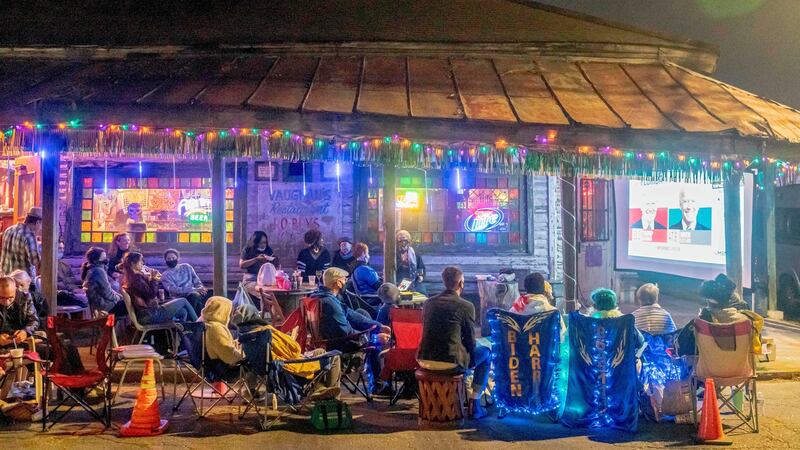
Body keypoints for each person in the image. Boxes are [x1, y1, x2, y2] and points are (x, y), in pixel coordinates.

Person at [204, 296, 342, 400]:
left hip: (265, 368)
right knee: (330, 355)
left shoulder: (243, 333)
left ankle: (319, 389)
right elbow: (295, 350)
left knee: (318, 353)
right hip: (284, 368)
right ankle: (328, 397)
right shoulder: (264, 331)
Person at [417, 266, 490, 419]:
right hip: (450, 362)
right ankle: (475, 403)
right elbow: (470, 341)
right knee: (486, 353)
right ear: (461, 283)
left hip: (423, 358)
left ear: (444, 282)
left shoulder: (428, 303)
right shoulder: (466, 306)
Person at [122, 252, 197, 325]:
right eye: (140, 261)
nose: (142, 263)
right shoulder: (136, 279)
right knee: (183, 300)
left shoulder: (132, 278)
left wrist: (149, 279)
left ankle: (182, 334)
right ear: (133, 264)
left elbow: (146, 294)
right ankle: (199, 325)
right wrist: (154, 279)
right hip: (148, 315)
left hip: (146, 313)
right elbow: (151, 295)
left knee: (183, 311)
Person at [161, 249, 211, 314]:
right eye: (168, 258)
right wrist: (194, 289)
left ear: (177, 258)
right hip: (179, 297)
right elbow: (173, 289)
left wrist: (200, 288)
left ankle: (200, 319)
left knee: (207, 294)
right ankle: (197, 320)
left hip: (194, 292)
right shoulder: (165, 275)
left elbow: (196, 280)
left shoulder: (187, 267)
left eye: (173, 258)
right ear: (165, 260)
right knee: (195, 296)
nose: (171, 260)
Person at [82, 247, 127, 317]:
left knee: (128, 301)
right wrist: (120, 298)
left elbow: (108, 290)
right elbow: (108, 294)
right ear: (96, 259)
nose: (106, 259)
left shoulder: (93, 269)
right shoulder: (98, 271)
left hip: (101, 304)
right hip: (106, 307)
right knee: (132, 304)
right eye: (103, 257)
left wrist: (120, 297)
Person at [0, 207, 42, 277]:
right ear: (37, 222)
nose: (41, 229)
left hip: (6, 281)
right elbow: (36, 262)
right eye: (42, 225)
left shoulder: (9, 229)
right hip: (23, 282)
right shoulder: (29, 235)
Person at [0, 276, 38, 348]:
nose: (6, 302)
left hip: (21, 339)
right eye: (2, 298)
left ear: (15, 291)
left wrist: (25, 332)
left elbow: (33, 320)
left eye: (10, 297)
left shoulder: (25, 298)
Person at [57, 241, 89, 307]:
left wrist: (77, 289)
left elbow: (72, 280)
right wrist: (73, 290)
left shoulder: (65, 264)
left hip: (70, 291)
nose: (62, 250)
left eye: (63, 248)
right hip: (60, 294)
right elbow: (56, 284)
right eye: (60, 248)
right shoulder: (48, 265)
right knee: (84, 299)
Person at [395, 229, 426, 294]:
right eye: (400, 240)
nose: (403, 243)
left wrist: (421, 276)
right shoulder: (394, 253)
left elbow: (421, 267)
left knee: (423, 294)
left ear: (408, 241)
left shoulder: (414, 253)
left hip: (414, 280)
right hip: (400, 279)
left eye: (405, 240)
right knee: (402, 296)